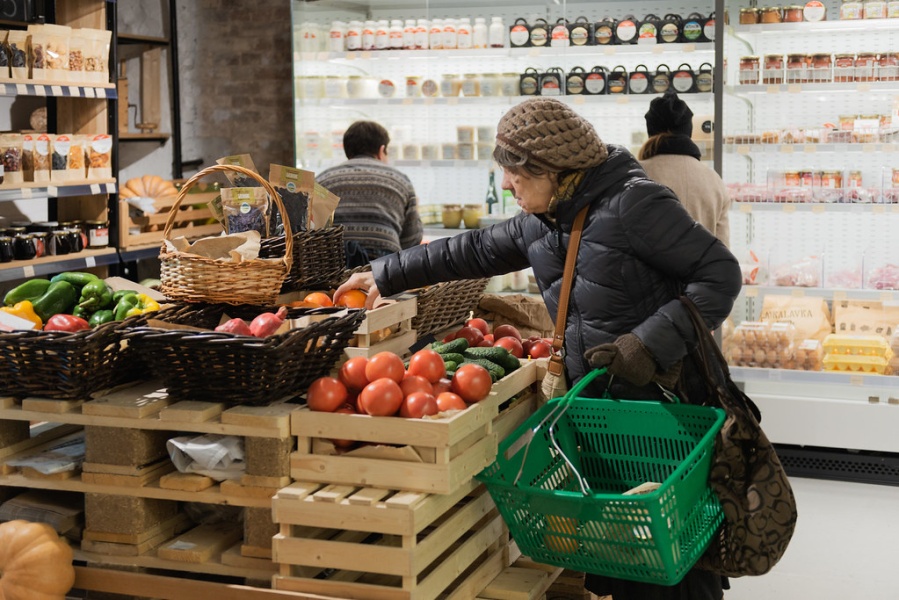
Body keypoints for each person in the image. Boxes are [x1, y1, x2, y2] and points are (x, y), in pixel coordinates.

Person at [335, 98, 741, 600]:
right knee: (624, 550)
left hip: (658, 408)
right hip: (601, 409)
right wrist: (385, 272)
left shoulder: (635, 204)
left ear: (549, 169)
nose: (506, 184)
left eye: (514, 174)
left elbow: (720, 273)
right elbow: (474, 249)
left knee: (671, 555)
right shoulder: (546, 218)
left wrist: (646, 343)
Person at [316, 120, 423, 265]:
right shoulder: (400, 180)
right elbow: (412, 240)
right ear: (381, 150)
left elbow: (312, 232)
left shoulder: (322, 180)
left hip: (334, 265)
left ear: (347, 151)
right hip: (385, 267)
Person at [639, 90, 731, 246]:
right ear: (688, 130)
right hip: (701, 270)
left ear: (650, 130)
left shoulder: (637, 174)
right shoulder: (713, 180)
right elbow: (723, 251)